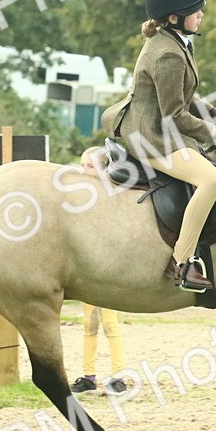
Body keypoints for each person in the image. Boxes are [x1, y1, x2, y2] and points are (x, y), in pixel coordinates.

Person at [101, 0, 216, 292]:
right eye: (196, 9)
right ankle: (181, 261)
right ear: (175, 17)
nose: (202, 13)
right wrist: (215, 134)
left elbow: (184, 96)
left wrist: (214, 114)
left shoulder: (173, 41)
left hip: (156, 124)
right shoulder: (167, 53)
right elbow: (174, 114)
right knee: (211, 179)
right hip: (149, 135)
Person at [70, 147, 127, 395]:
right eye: (82, 165)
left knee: (110, 325)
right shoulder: (79, 197)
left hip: (108, 271)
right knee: (88, 325)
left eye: (91, 166)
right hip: (86, 270)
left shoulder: (114, 196)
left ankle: (118, 376)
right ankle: (88, 375)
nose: (84, 171)